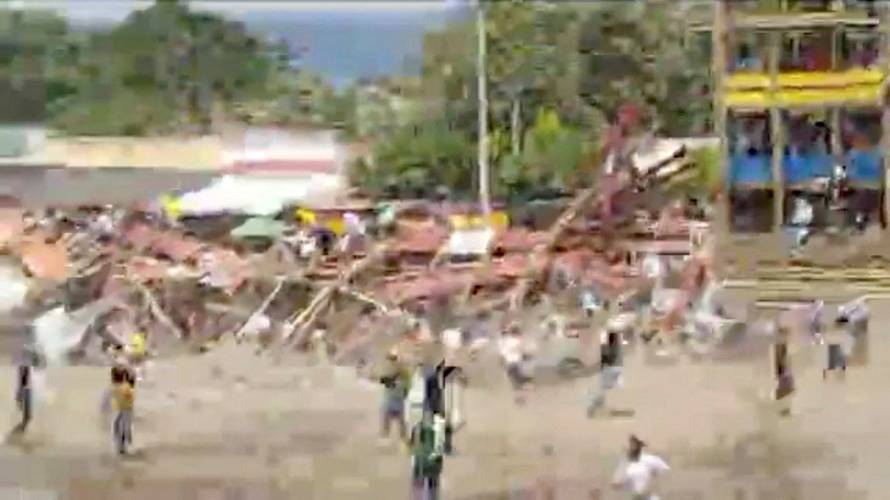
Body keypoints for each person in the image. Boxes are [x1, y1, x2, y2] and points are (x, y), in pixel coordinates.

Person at [611, 435, 670, 500]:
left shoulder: (649, 459)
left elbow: (665, 469)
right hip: (637, 497)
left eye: (634, 445)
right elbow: (618, 484)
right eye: (631, 445)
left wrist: (654, 475)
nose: (632, 448)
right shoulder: (628, 465)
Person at [410, 408, 444, 500]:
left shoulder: (418, 427)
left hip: (420, 462)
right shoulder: (439, 429)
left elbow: (414, 444)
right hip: (433, 463)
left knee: (417, 485)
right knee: (433, 485)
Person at [588, 329, 623, 417]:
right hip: (613, 368)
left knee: (604, 386)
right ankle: (600, 402)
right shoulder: (614, 346)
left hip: (610, 368)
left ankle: (599, 402)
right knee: (605, 386)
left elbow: (606, 358)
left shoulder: (609, 346)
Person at [378, 349, 411, 443]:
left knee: (397, 421)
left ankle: (400, 439)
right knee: (390, 420)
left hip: (396, 398)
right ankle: (387, 438)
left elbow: (406, 385)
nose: (391, 361)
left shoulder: (402, 370)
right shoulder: (395, 370)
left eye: (392, 359)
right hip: (394, 398)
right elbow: (384, 380)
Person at [111, 365, 135, 455]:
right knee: (126, 428)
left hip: (117, 409)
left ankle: (119, 445)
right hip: (127, 409)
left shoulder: (114, 386)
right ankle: (126, 444)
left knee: (116, 426)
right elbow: (131, 395)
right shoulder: (126, 387)